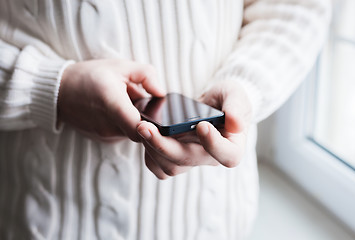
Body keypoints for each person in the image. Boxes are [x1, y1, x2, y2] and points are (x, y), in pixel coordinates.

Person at [0, 0, 330, 239]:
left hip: (219, 220)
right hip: (48, 222)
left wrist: (246, 86)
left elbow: (297, 7)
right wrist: (52, 88)